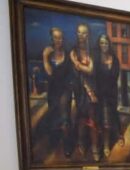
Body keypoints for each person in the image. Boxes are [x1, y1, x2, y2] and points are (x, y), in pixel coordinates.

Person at [41, 27, 74, 159]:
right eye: (56, 37)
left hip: (65, 90)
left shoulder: (67, 53)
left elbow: (71, 74)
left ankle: (67, 145)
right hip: (53, 91)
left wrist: (69, 88)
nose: (58, 40)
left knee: (65, 117)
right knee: (54, 115)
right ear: (52, 38)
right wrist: (44, 57)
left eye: (60, 37)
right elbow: (49, 73)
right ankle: (54, 141)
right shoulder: (48, 54)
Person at [69, 23, 99, 161]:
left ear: (88, 35)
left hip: (92, 88)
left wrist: (77, 63)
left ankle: (94, 146)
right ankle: (81, 142)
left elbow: (91, 70)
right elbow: (75, 72)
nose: (81, 35)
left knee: (92, 118)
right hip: (79, 89)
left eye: (84, 33)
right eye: (79, 32)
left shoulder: (92, 51)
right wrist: (79, 65)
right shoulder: (73, 51)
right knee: (81, 117)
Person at [94, 34, 123, 160]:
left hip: (112, 93)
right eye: (101, 43)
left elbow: (115, 77)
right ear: (99, 45)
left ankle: (119, 135)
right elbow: (94, 78)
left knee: (114, 115)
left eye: (105, 43)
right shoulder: (96, 60)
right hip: (101, 95)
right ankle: (106, 145)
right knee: (105, 121)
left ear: (109, 44)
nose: (104, 45)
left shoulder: (114, 59)